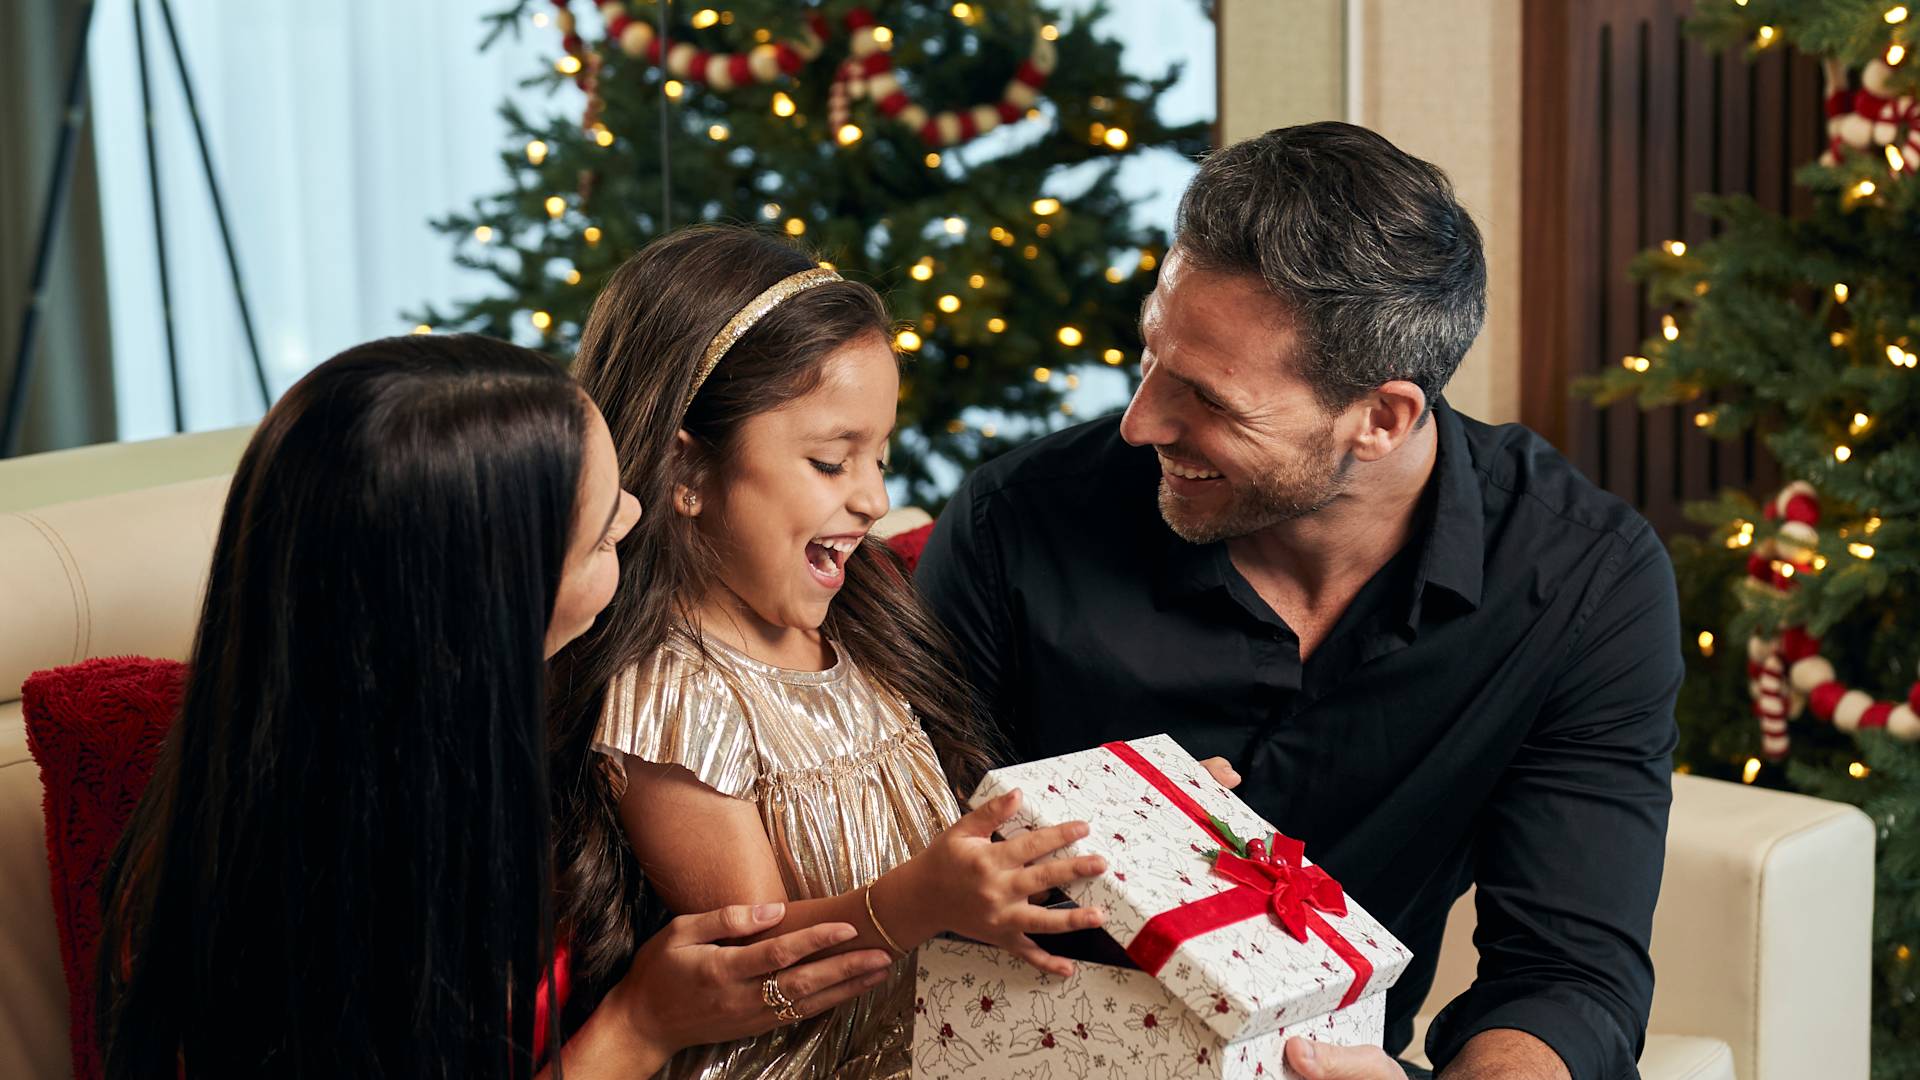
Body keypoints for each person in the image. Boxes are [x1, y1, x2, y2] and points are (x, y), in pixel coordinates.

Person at [917, 122, 1683, 1080]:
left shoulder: (1581, 583)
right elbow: (905, 873)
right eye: (1152, 355)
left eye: (1210, 399)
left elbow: (1568, 974)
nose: (1141, 419)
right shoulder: (1013, 527)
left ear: (1382, 418)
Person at [96, 335, 897, 1079]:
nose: (636, 512)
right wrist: (639, 1025)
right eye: (599, 539)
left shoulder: (517, 730)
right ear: (491, 606)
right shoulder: (307, 901)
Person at [548, 225, 1109, 1079]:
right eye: (830, 460)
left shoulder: (862, 622)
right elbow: (757, 964)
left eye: (879, 455)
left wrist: (1124, 803)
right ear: (683, 470)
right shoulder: (671, 692)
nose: (874, 496)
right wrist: (926, 898)